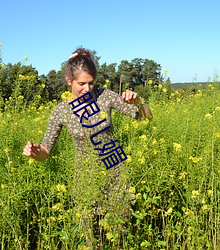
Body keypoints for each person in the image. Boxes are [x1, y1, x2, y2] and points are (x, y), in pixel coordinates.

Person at [23, 47, 152, 246]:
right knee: (89, 236)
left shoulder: (105, 96)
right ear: (69, 81)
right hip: (86, 177)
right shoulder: (61, 111)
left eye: (91, 83)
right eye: (81, 84)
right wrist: (35, 152)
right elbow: (46, 151)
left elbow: (145, 118)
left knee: (120, 234)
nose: (87, 89)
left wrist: (139, 102)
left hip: (116, 170)